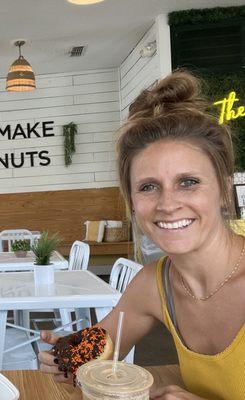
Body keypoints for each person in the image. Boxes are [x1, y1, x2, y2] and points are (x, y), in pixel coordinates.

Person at [38, 71, 245, 400]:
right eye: (148, 187)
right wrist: (65, 356)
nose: (168, 204)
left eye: (188, 182)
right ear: (133, 203)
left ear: (223, 189)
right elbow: (101, 344)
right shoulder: (154, 284)